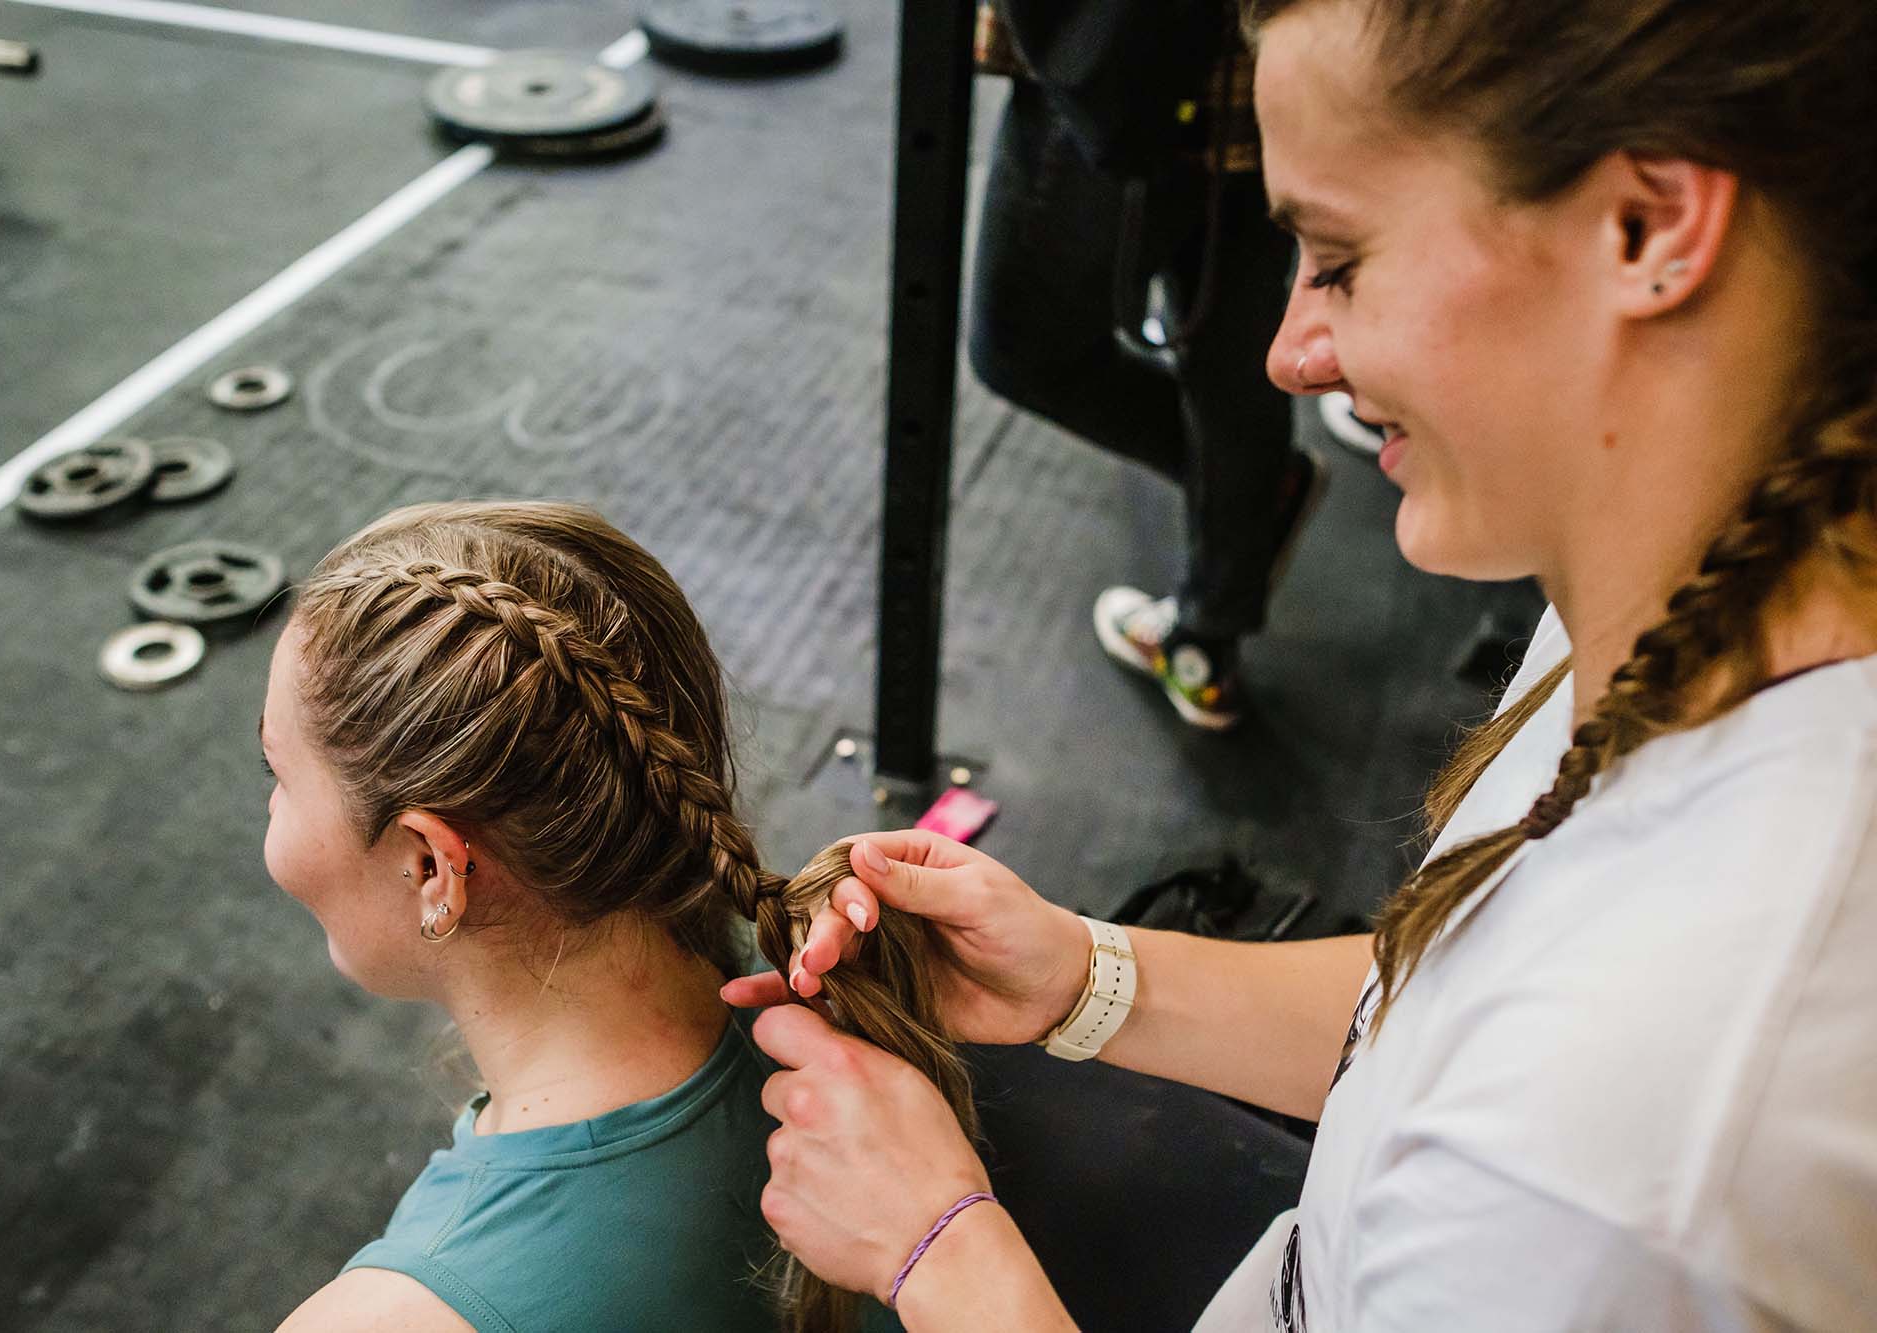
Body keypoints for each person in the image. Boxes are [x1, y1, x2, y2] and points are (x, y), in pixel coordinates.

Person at [725, 0, 1877, 1326]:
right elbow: (1439, 1014)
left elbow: (1519, 1100)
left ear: (1647, 227)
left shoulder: (1619, 1173)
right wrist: (1088, 976)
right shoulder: (1704, 572)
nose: (1287, 354)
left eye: (1338, 258)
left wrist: (941, 1255)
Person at [259, 502, 904, 1333]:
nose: (270, 819)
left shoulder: (398, 1318)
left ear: (431, 867)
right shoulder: (849, 980)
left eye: (275, 771)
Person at [970, 0, 1323, 730]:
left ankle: (1248, 510)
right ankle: (1215, 621)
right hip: (1288, 68)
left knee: (1017, 349)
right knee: (1237, 350)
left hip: (1125, 58)